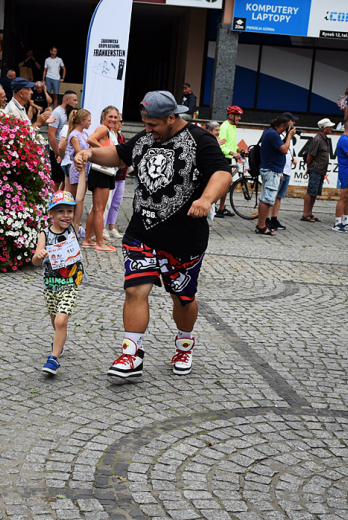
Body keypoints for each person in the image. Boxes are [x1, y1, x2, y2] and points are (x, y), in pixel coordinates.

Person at [73, 91, 232, 379]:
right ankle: (131, 354)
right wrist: (90, 152)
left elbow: (222, 173)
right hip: (141, 233)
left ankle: (184, 344)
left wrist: (206, 199)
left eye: (153, 125)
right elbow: (120, 155)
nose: (147, 131)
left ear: (172, 118)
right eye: (145, 124)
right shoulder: (147, 138)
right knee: (135, 289)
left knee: (182, 297)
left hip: (183, 237)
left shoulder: (200, 140)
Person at [31, 191, 83, 375]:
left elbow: (81, 197)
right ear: (51, 214)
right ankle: (58, 341)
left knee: (61, 321)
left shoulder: (73, 229)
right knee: (55, 322)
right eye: (60, 211)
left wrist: (83, 170)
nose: (66, 215)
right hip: (50, 287)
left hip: (69, 284)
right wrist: (38, 255)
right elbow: (35, 261)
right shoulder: (44, 234)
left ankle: (53, 359)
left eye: (69, 211)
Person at [84, 106, 120, 252]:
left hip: (103, 171)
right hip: (102, 171)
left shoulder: (110, 132)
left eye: (115, 117)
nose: (113, 119)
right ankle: (99, 243)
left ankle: (88, 239)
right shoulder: (104, 129)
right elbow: (90, 139)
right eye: (110, 116)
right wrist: (105, 152)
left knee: (96, 209)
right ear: (104, 116)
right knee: (99, 209)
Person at [255, 116, 295, 236]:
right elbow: (284, 149)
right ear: (282, 126)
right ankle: (262, 226)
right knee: (267, 200)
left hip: (271, 169)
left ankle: (260, 225)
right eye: (287, 127)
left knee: (264, 199)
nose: (288, 129)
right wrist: (289, 136)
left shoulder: (269, 131)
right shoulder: (272, 134)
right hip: (271, 170)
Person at [269, 113, 299, 231]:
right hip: (280, 170)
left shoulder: (289, 136)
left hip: (287, 170)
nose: (294, 124)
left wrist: (293, 159)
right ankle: (268, 220)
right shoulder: (278, 135)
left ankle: (274, 218)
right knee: (272, 196)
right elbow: (279, 151)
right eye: (292, 121)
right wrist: (279, 169)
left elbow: (288, 151)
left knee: (279, 197)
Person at [302, 118, 334, 223]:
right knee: (311, 191)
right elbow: (310, 155)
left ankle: (309, 213)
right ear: (324, 128)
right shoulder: (317, 139)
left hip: (321, 170)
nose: (332, 128)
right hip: (315, 169)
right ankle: (305, 214)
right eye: (330, 126)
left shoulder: (324, 139)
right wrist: (308, 168)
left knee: (314, 192)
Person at [65, 109, 91, 235]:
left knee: (80, 198)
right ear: (82, 121)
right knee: (75, 199)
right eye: (89, 120)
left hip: (85, 169)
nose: (90, 123)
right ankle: (72, 226)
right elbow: (79, 151)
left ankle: (75, 225)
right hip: (77, 168)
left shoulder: (85, 134)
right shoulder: (74, 135)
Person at [48, 90, 78, 190]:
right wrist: (57, 152)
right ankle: (52, 202)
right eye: (74, 100)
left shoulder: (69, 112)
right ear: (67, 100)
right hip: (57, 150)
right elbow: (51, 134)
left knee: (66, 180)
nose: (76, 103)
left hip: (66, 153)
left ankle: (60, 201)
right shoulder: (57, 112)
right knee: (57, 180)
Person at [216, 106, 243, 218]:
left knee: (226, 185)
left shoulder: (232, 126)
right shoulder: (225, 127)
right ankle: (216, 208)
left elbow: (231, 144)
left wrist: (239, 150)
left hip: (228, 157)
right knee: (222, 184)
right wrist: (233, 153)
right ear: (231, 115)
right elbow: (220, 145)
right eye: (238, 116)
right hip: (223, 157)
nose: (239, 118)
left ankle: (221, 208)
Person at [105, 119, 127, 240]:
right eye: (120, 121)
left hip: (121, 174)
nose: (122, 123)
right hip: (112, 173)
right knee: (106, 202)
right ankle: (102, 227)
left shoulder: (121, 136)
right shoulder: (109, 134)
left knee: (116, 202)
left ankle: (111, 227)